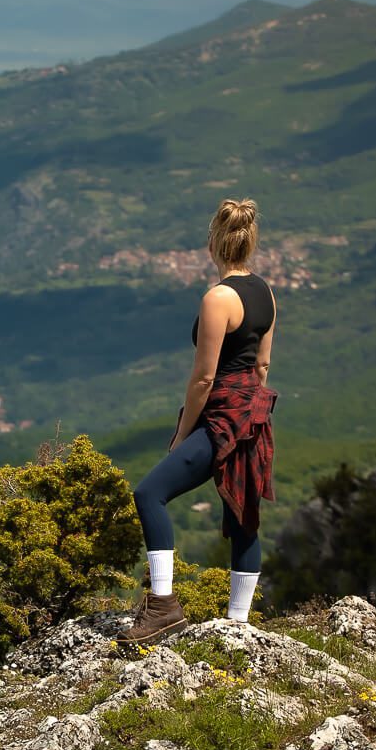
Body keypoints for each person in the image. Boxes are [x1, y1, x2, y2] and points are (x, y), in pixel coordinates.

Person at [116, 198, 278, 647]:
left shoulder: (218, 298)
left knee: (149, 493)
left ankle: (163, 608)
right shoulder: (266, 292)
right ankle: (239, 625)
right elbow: (262, 365)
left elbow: (204, 377)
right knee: (243, 514)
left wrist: (183, 434)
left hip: (220, 415)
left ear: (214, 242)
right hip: (254, 414)